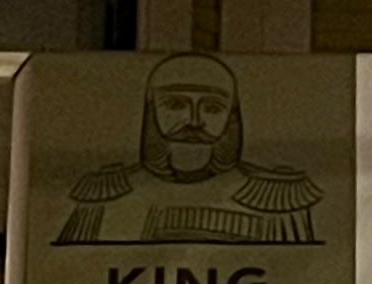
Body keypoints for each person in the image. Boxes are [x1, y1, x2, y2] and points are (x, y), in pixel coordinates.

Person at [56, 54, 322, 243]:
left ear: (232, 114)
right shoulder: (104, 198)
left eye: (212, 108)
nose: (194, 121)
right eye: (175, 105)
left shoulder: (273, 200)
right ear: (152, 108)